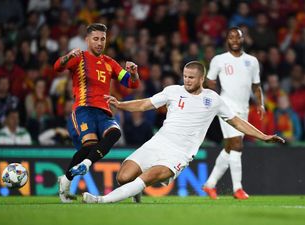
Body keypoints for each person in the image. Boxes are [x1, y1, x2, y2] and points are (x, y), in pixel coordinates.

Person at [81, 61, 284, 204]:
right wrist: (121, 105)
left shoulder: (213, 99)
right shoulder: (172, 91)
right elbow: (145, 104)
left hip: (179, 153)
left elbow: (237, 122)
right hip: (158, 142)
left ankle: (101, 200)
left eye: (191, 77)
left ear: (202, 78)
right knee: (123, 178)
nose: (186, 80)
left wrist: (263, 136)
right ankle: (135, 193)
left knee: (148, 177)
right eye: (185, 76)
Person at [53, 23, 140, 203]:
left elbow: (132, 84)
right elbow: (57, 67)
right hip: (84, 109)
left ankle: (81, 167)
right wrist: (68, 56)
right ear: (87, 40)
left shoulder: (110, 62)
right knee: (89, 147)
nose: (100, 43)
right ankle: (67, 181)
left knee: (115, 133)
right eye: (96, 39)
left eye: (103, 39)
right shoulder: (79, 58)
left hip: (104, 111)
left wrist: (134, 73)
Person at [202, 27, 265, 200]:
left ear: (243, 39)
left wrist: (260, 104)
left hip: (243, 109)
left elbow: (256, 85)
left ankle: (209, 184)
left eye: (237, 37)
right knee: (237, 144)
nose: (234, 40)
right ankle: (238, 189)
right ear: (227, 40)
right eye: (231, 37)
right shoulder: (219, 60)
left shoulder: (252, 61)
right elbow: (210, 82)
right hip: (226, 107)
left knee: (230, 148)